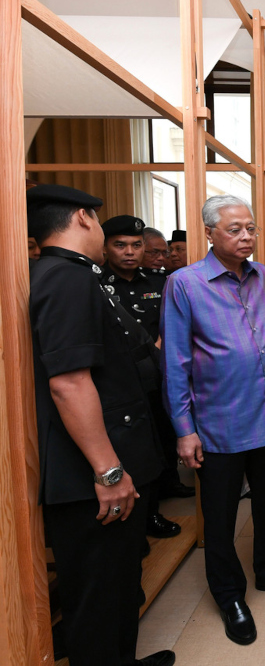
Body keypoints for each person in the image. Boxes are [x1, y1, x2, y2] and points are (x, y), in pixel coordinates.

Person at [27, 184, 174, 666]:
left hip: (114, 460)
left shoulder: (80, 276)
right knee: (94, 596)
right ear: (85, 219)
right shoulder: (63, 278)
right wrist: (109, 472)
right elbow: (69, 383)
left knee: (116, 584)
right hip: (95, 474)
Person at [161, 195, 265, 646]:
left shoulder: (264, 275)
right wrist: (184, 430)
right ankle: (229, 595)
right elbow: (175, 362)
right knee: (221, 516)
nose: (246, 236)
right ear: (210, 233)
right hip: (217, 425)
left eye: (251, 228)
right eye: (234, 229)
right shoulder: (184, 284)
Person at [100, 216, 191, 538]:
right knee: (131, 452)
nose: (130, 252)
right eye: (120, 245)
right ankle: (132, 520)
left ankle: (154, 507)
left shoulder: (160, 281)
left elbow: (177, 323)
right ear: (105, 247)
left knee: (163, 440)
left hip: (159, 376)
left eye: (136, 245)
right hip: (118, 383)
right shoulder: (95, 285)